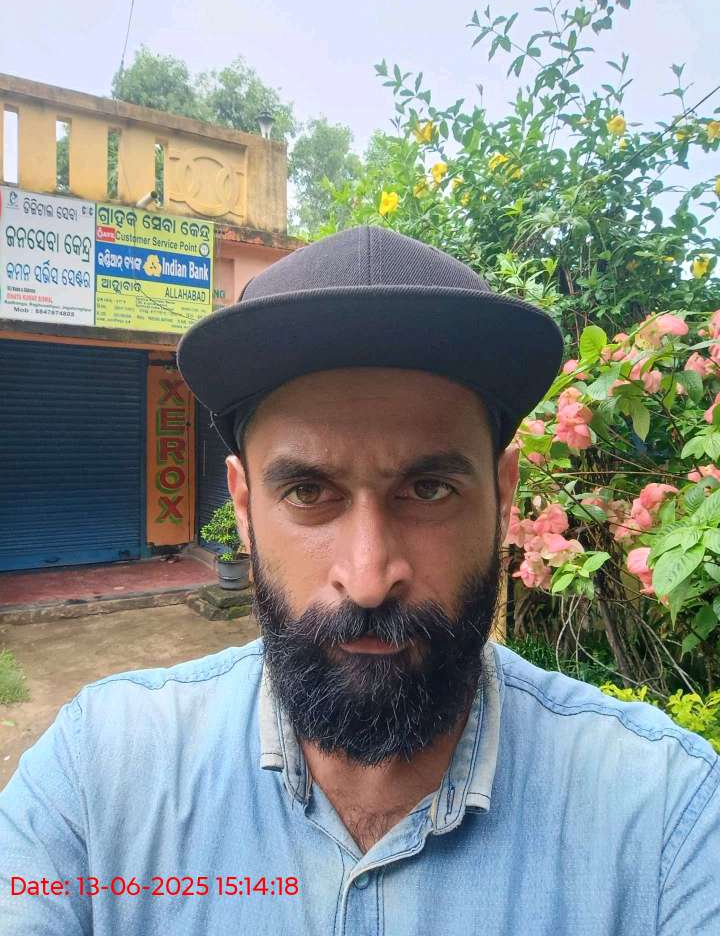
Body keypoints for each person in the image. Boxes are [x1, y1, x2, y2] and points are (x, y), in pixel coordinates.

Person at [1, 226, 718, 935]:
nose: (369, 579)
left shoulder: (663, 818)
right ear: (244, 509)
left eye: (429, 489)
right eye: (309, 493)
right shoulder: (100, 776)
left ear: (504, 498)